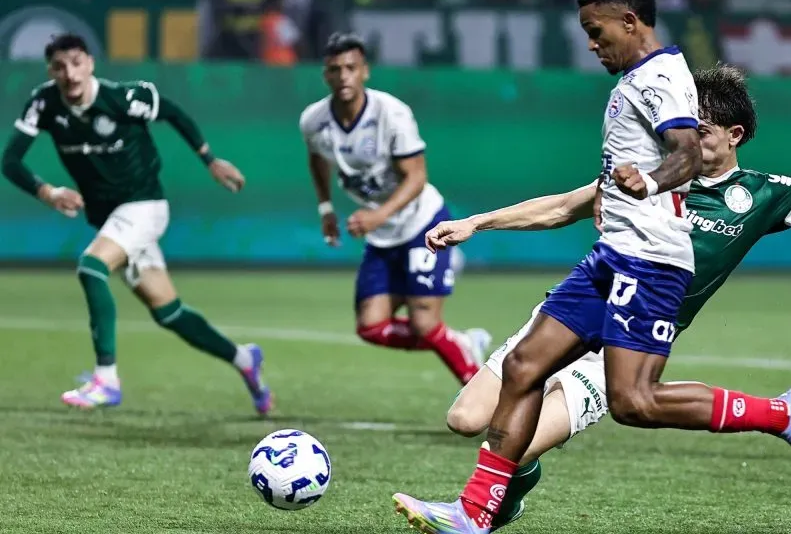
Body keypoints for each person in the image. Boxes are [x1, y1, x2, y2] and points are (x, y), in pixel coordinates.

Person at [436, 65, 791, 530]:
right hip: (568, 313)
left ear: (735, 134)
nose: (685, 140)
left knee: (510, 450)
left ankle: (498, 500)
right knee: (466, 418)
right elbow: (561, 206)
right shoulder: (655, 174)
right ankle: (509, 491)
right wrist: (476, 224)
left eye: (699, 130)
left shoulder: (763, 196)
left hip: (620, 352)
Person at [391, 0, 791, 534]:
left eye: (597, 31)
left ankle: (783, 414)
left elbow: (685, 154)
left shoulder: (660, 79)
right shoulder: (638, 79)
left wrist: (649, 183)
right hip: (611, 256)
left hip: (649, 261)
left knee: (635, 403)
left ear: (630, 21)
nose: (592, 44)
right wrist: (477, 224)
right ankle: (475, 513)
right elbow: (569, 202)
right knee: (524, 366)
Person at [0, 33, 271, 413]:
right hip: (111, 218)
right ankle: (245, 360)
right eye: (60, 66)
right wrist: (47, 192)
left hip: (145, 205)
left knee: (92, 267)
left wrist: (210, 160)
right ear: (51, 71)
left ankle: (106, 379)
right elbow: (10, 160)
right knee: (168, 312)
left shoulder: (124, 98)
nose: (70, 74)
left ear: (91, 64)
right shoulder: (44, 103)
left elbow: (173, 112)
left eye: (77, 63)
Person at [298, 33, 490, 386]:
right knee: (370, 326)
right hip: (383, 233)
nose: (344, 76)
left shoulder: (392, 113)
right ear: (325, 75)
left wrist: (376, 216)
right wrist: (326, 207)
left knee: (425, 324)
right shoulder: (313, 121)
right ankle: (459, 340)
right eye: (335, 69)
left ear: (365, 72)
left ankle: (480, 388)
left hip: (423, 223)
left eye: (351, 68)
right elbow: (316, 159)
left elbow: (416, 177)